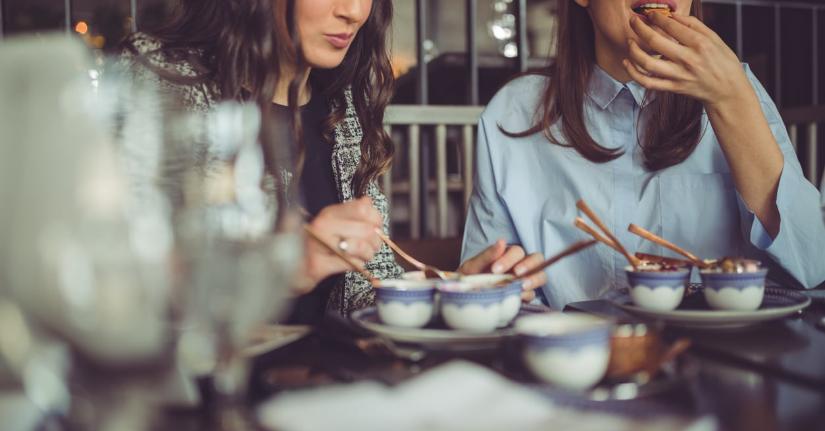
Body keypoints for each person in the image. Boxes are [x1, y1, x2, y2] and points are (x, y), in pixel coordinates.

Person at [121, 0, 547, 323]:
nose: (355, 11)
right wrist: (283, 266)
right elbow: (128, 289)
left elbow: (366, 289)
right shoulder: (165, 81)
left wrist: (455, 290)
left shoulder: (341, 107)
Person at [462, 0, 825, 309]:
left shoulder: (738, 93)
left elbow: (812, 268)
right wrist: (493, 283)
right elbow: (489, 289)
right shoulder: (513, 114)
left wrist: (731, 101)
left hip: (718, 371)